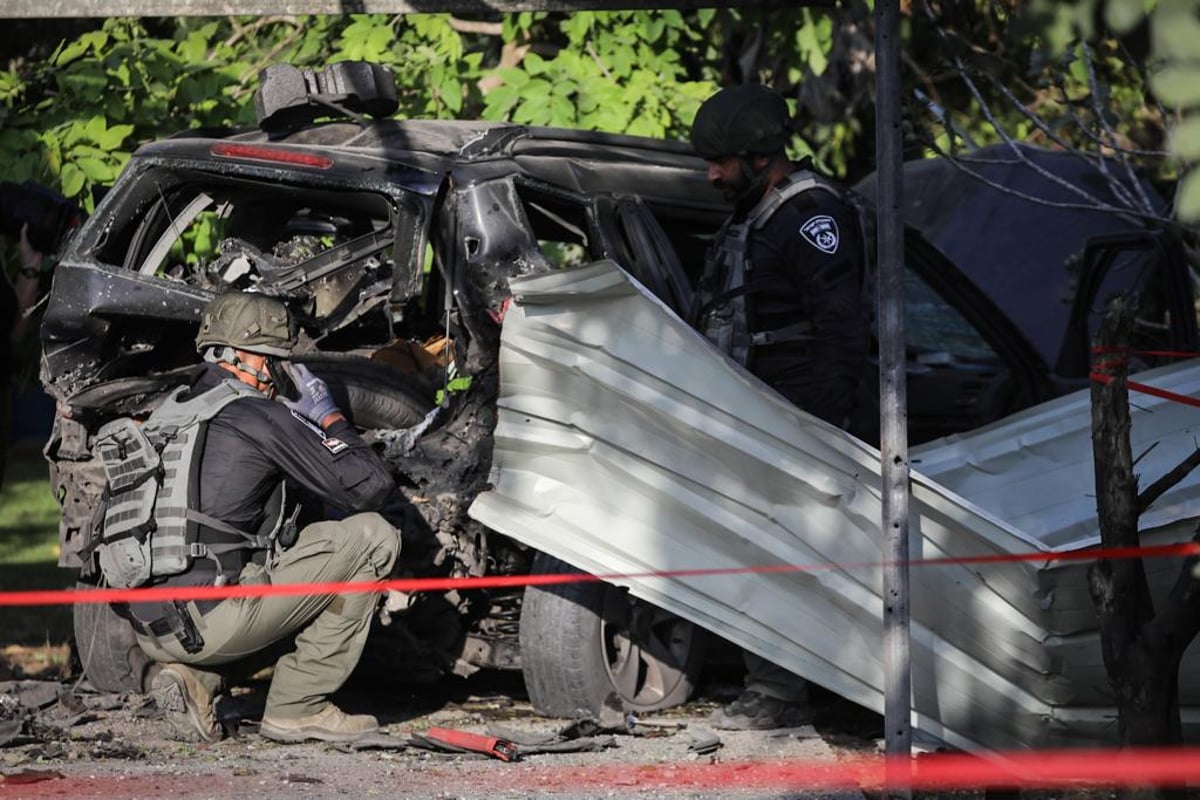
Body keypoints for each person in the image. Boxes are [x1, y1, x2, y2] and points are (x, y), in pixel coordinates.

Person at [123, 291, 401, 744]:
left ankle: (197, 680)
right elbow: (369, 486)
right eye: (277, 360)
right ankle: (299, 706)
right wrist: (329, 417)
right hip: (207, 623)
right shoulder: (255, 413)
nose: (280, 373)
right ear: (248, 356)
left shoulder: (169, 411)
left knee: (264, 561)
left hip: (153, 626)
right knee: (373, 537)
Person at [689, 84, 870, 730]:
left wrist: (818, 432)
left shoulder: (810, 217)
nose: (711, 174)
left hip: (798, 415)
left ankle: (781, 693)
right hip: (756, 411)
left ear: (762, 157)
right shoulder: (754, 211)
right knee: (755, 549)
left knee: (782, 554)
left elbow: (842, 332)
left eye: (722, 162)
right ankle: (776, 686)